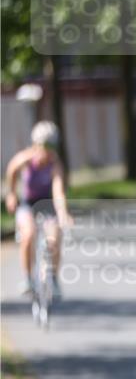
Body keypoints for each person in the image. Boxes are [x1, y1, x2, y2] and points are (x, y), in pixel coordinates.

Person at [5, 121, 73, 297]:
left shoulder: (55, 164)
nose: (49, 150)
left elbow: (58, 191)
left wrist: (63, 213)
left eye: (53, 146)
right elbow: (12, 170)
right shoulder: (26, 159)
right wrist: (11, 194)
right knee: (28, 234)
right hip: (28, 203)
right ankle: (28, 278)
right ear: (36, 144)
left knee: (54, 237)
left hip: (48, 203)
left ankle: (54, 279)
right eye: (46, 145)